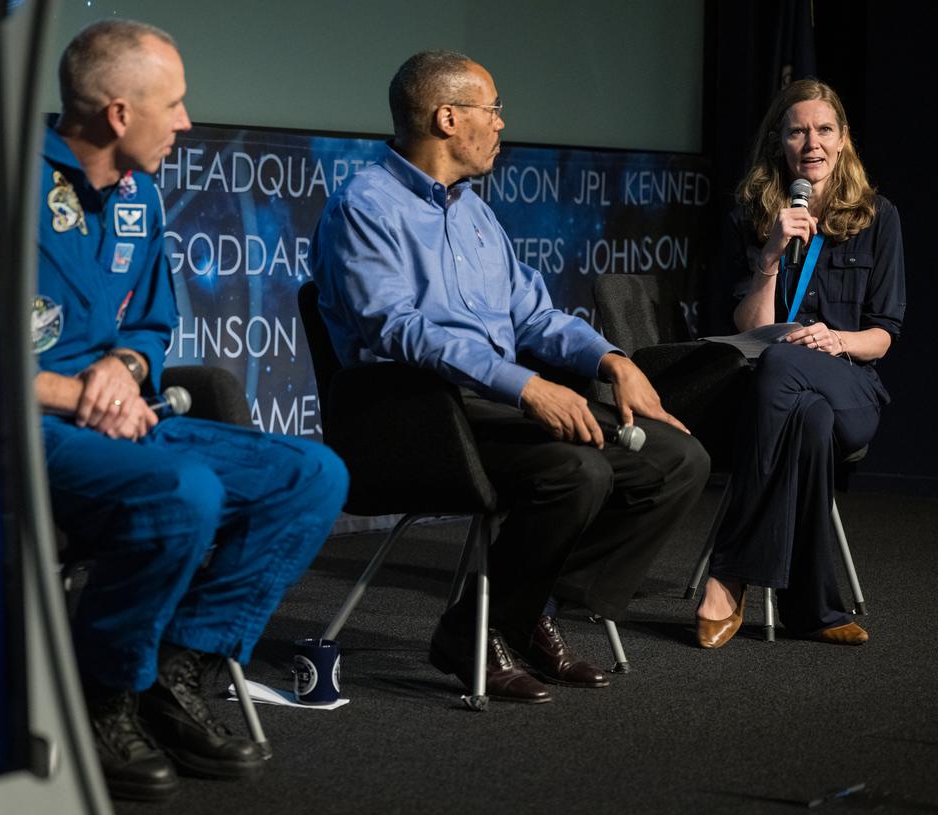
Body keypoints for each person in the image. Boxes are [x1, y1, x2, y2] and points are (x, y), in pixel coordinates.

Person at [309, 51, 709, 702]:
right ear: (447, 117)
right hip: (414, 415)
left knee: (676, 460)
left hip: (493, 406)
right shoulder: (365, 205)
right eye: (491, 109)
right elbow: (396, 330)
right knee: (579, 470)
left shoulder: (474, 212)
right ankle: (504, 619)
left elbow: (535, 315)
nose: (500, 124)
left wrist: (614, 360)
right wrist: (524, 384)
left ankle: (514, 613)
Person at [34, 20, 347, 800]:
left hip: (125, 416)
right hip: (19, 427)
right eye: (172, 104)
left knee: (309, 473)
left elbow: (149, 322)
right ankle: (102, 691)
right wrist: (77, 392)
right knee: (186, 491)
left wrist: (123, 364)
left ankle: (175, 670)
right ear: (117, 114)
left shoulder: (138, 193)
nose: (184, 121)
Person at [695, 79, 904, 648]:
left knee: (790, 371)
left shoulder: (878, 217)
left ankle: (730, 569)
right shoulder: (751, 216)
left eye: (823, 129)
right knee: (802, 411)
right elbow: (749, 327)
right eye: (797, 130)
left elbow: (884, 336)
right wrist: (770, 255)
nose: (811, 142)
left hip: (852, 389)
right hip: (780, 391)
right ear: (779, 143)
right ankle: (813, 608)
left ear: (842, 140)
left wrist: (836, 342)